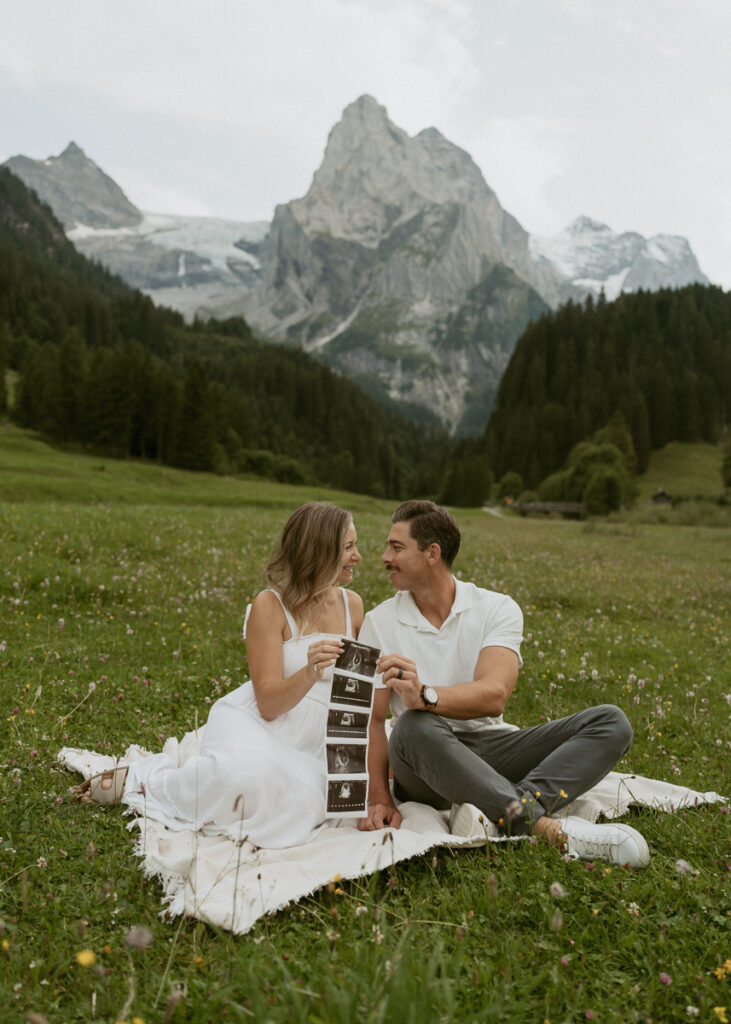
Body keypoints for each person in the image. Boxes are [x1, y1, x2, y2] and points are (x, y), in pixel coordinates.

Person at [74, 502, 402, 847]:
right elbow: (268, 705)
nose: (358, 556)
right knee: (239, 776)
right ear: (320, 552)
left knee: (305, 802)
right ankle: (146, 781)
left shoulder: (353, 605)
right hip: (266, 722)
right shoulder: (270, 606)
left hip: (323, 735)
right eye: (348, 547)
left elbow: (359, 698)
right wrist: (308, 672)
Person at [358, 499, 649, 867]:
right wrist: (380, 798)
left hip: (493, 747)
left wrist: (425, 694)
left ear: (432, 553)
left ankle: (498, 809)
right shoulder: (379, 622)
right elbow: (373, 721)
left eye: (396, 547)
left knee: (611, 722)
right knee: (413, 725)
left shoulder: (496, 608)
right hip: (422, 763)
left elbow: (494, 695)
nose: (385, 557)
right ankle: (544, 827)